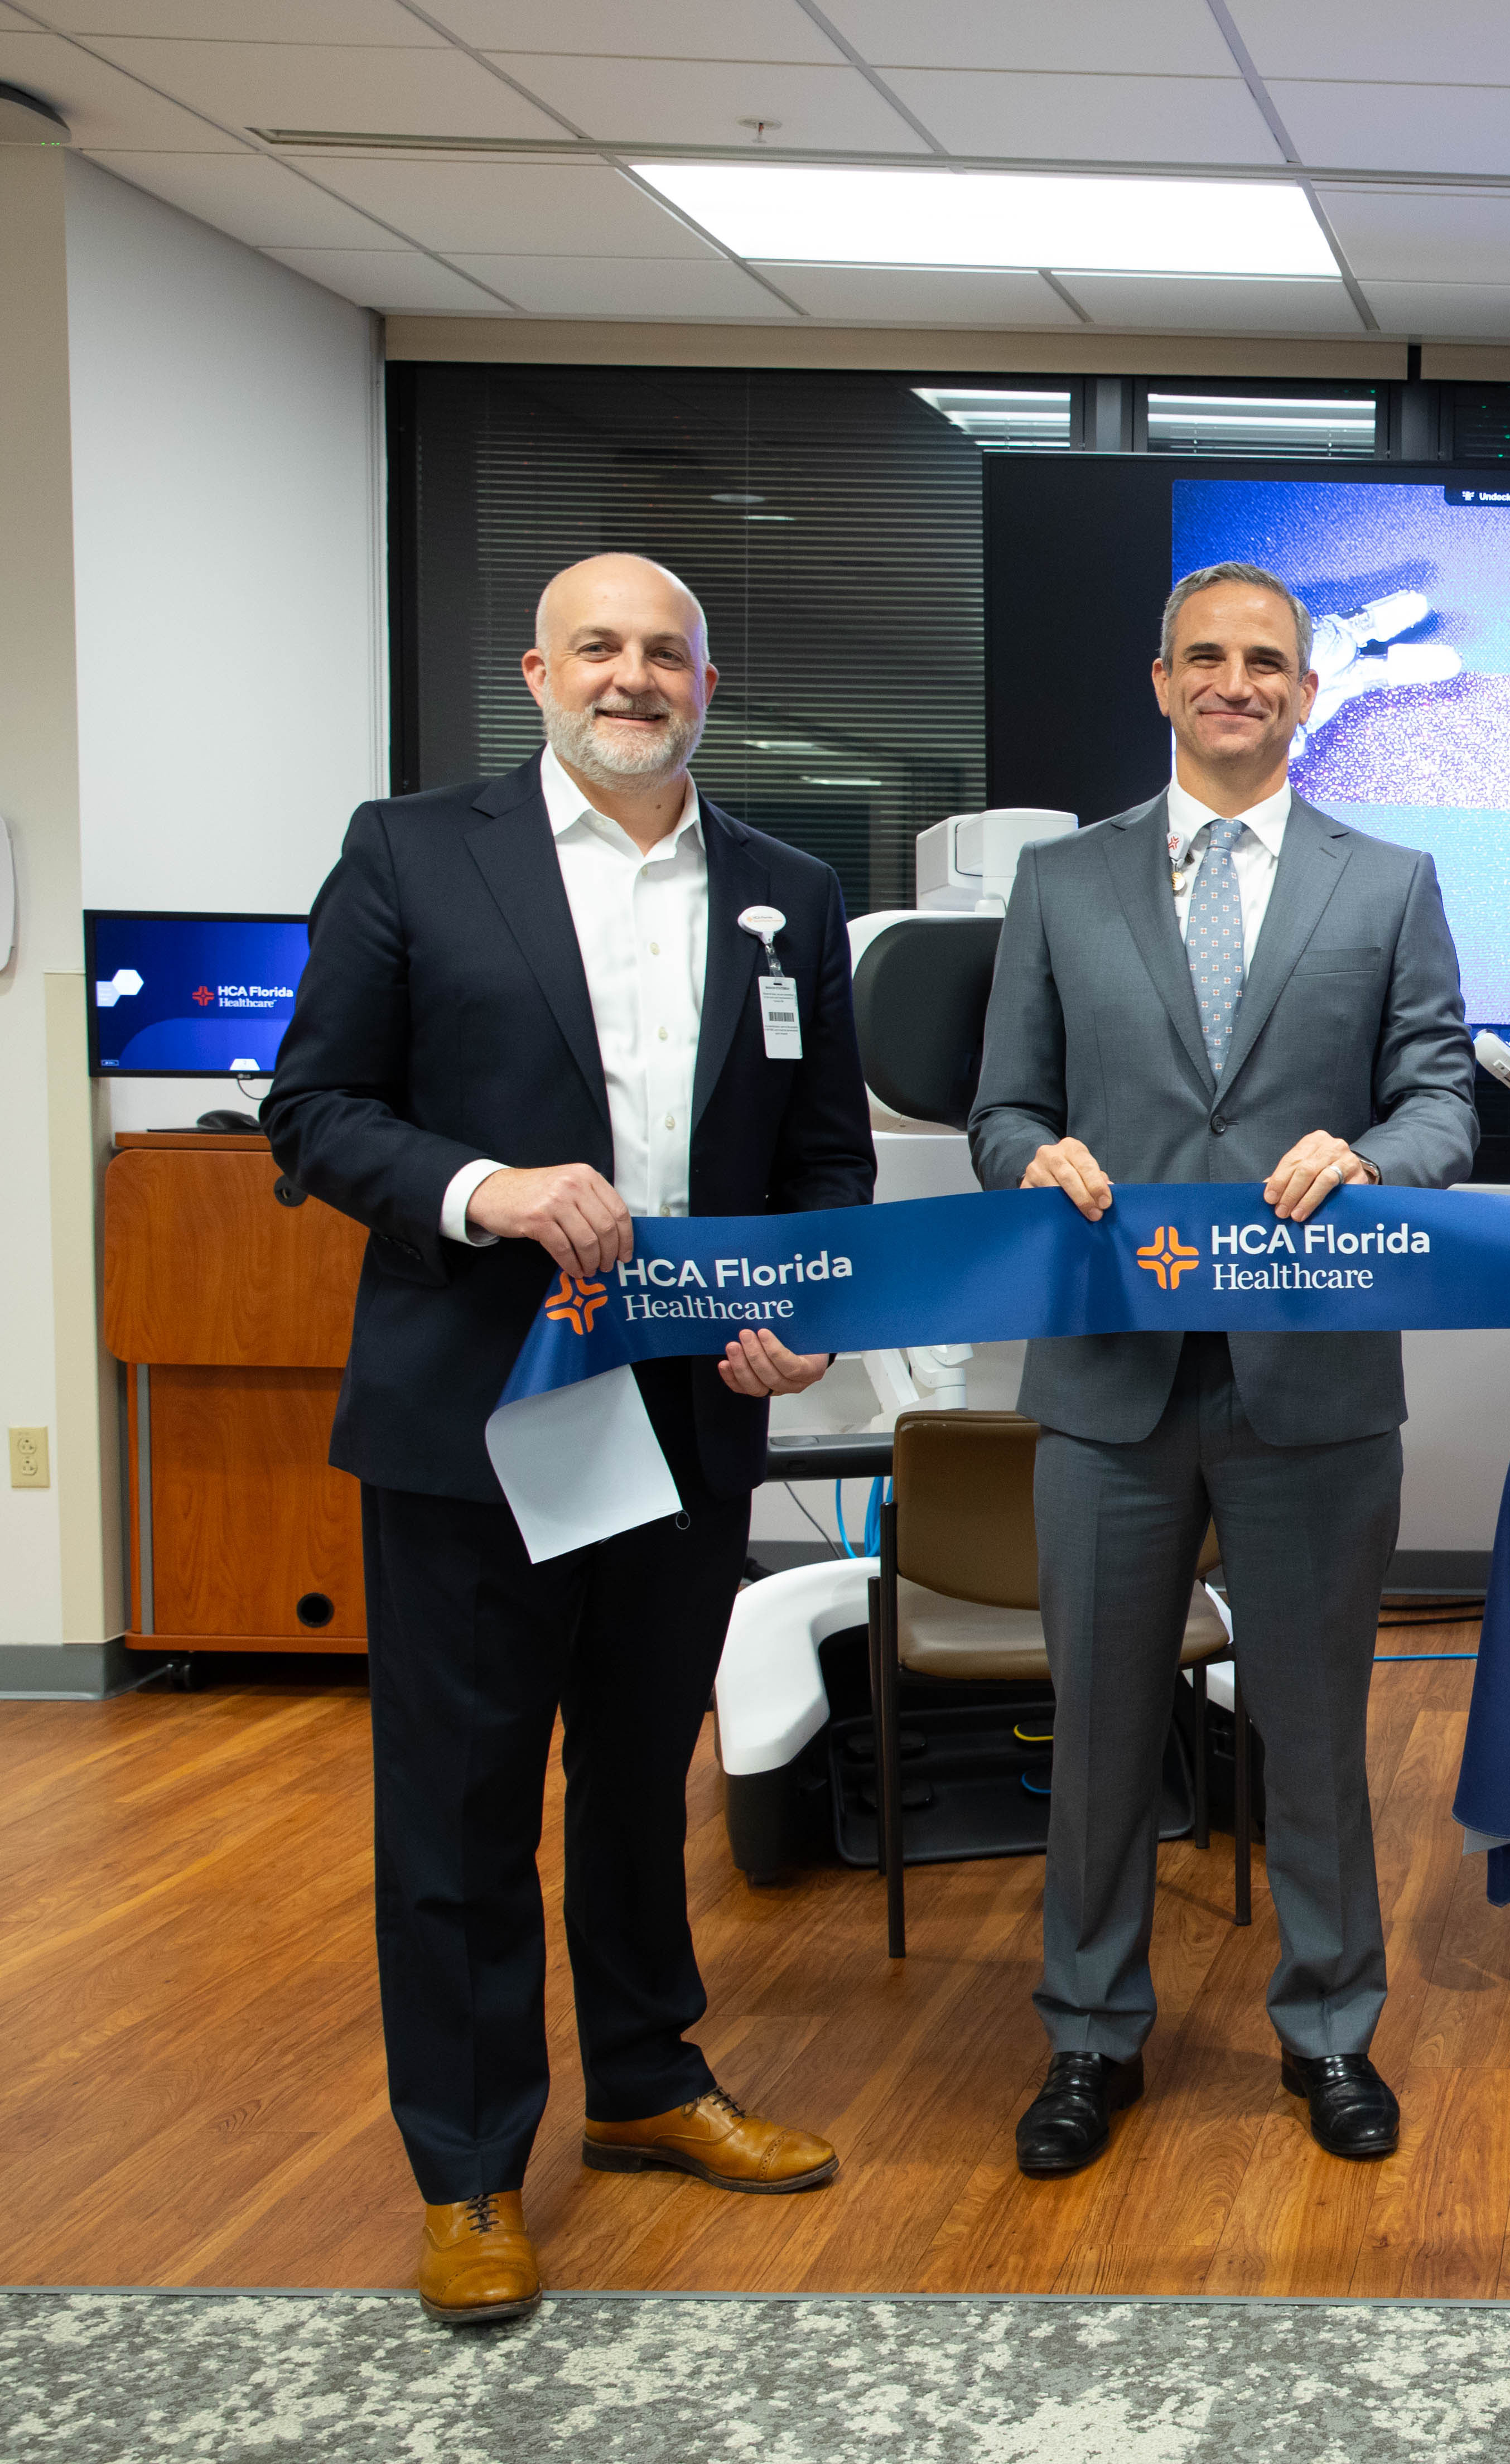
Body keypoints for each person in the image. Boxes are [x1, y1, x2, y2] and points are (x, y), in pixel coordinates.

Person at [267, 554, 873, 2326]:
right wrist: (484, 1188)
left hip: (687, 1412)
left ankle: (645, 2082)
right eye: (598, 648)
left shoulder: (784, 892)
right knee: (459, 1797)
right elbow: (314, 1113)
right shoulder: (410, 854)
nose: (632, 677)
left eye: (663, 651)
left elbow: (822, 1157)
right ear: (535, 669)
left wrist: (802, 1301)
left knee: (636, 1768)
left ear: (707, 679)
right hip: (478, 1410)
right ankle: (465, 2169)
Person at [969, 560, 1473, 2176]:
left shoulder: (1388, 884)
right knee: (1102, 1730)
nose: (1236, 682)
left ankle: (1330, 2032)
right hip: (1110, 1374)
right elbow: (1000, 1112)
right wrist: (1033, 1160)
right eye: (1208, 657)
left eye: (1267, 660)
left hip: (1313, 1373)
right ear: (1161, 677)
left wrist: (1375, 1153)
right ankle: (1089, 2038)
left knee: (1315, 1730)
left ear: (1309, 692)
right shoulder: (1060, 881)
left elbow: (1447, 1103)